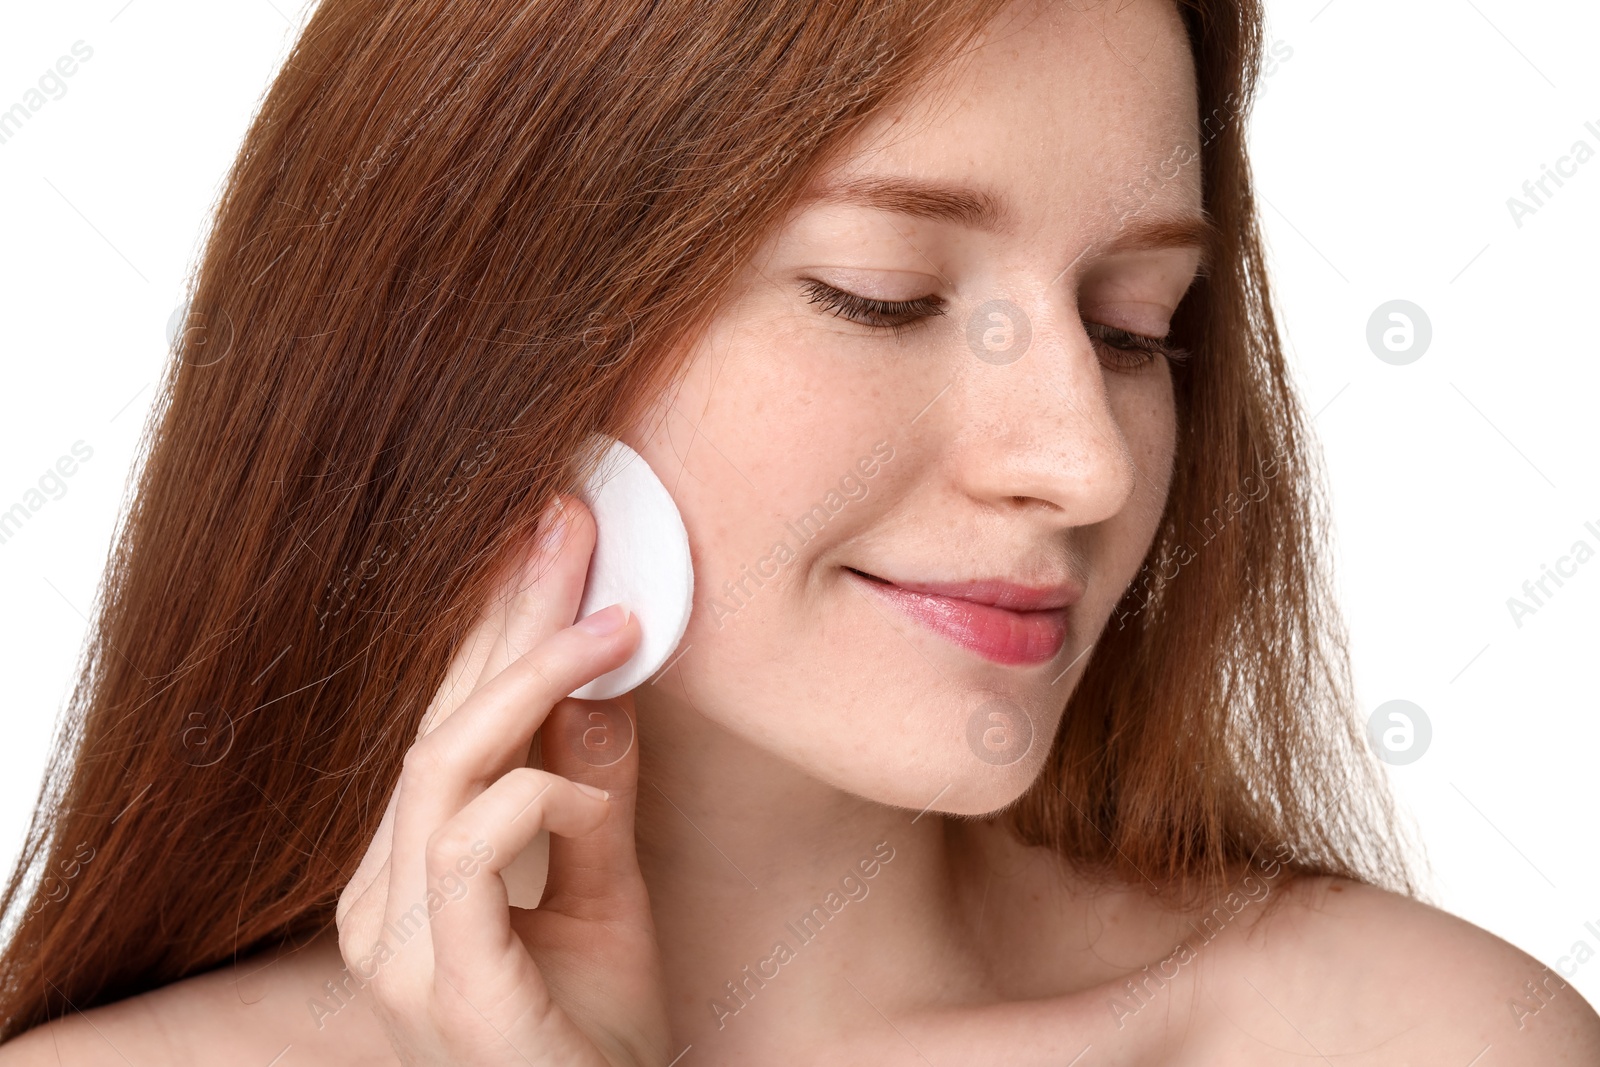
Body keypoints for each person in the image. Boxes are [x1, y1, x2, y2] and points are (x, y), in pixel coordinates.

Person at [2, 0, 1596, 1062]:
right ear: (484, 351)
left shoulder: (1426, 1040)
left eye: (1134, 328)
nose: (1086, 463)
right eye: (882, 297)